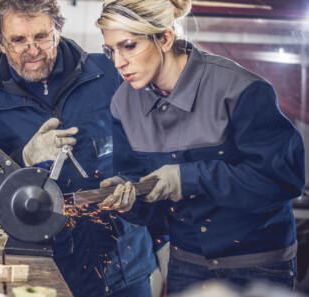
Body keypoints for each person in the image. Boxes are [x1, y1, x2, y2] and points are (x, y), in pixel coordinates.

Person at [94, 0, 305, 294]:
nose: (118, 62)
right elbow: (145, 198)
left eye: (128, 46)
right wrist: (130, 198)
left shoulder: (241, 89)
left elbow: (283, 179)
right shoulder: (123, 103)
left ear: (165, 38)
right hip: (186, 265)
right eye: (111, 50)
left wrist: (187, 178)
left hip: (257, 265)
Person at [0, 0, 159, 296]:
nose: (33, 49)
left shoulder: (111, 73)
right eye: (18, 40)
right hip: (49, 274)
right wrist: (23, 160)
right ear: (1, 42)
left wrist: (138, 189)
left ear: (58, 31)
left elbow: (154, 148)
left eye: (41, 36)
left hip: (126, 266)